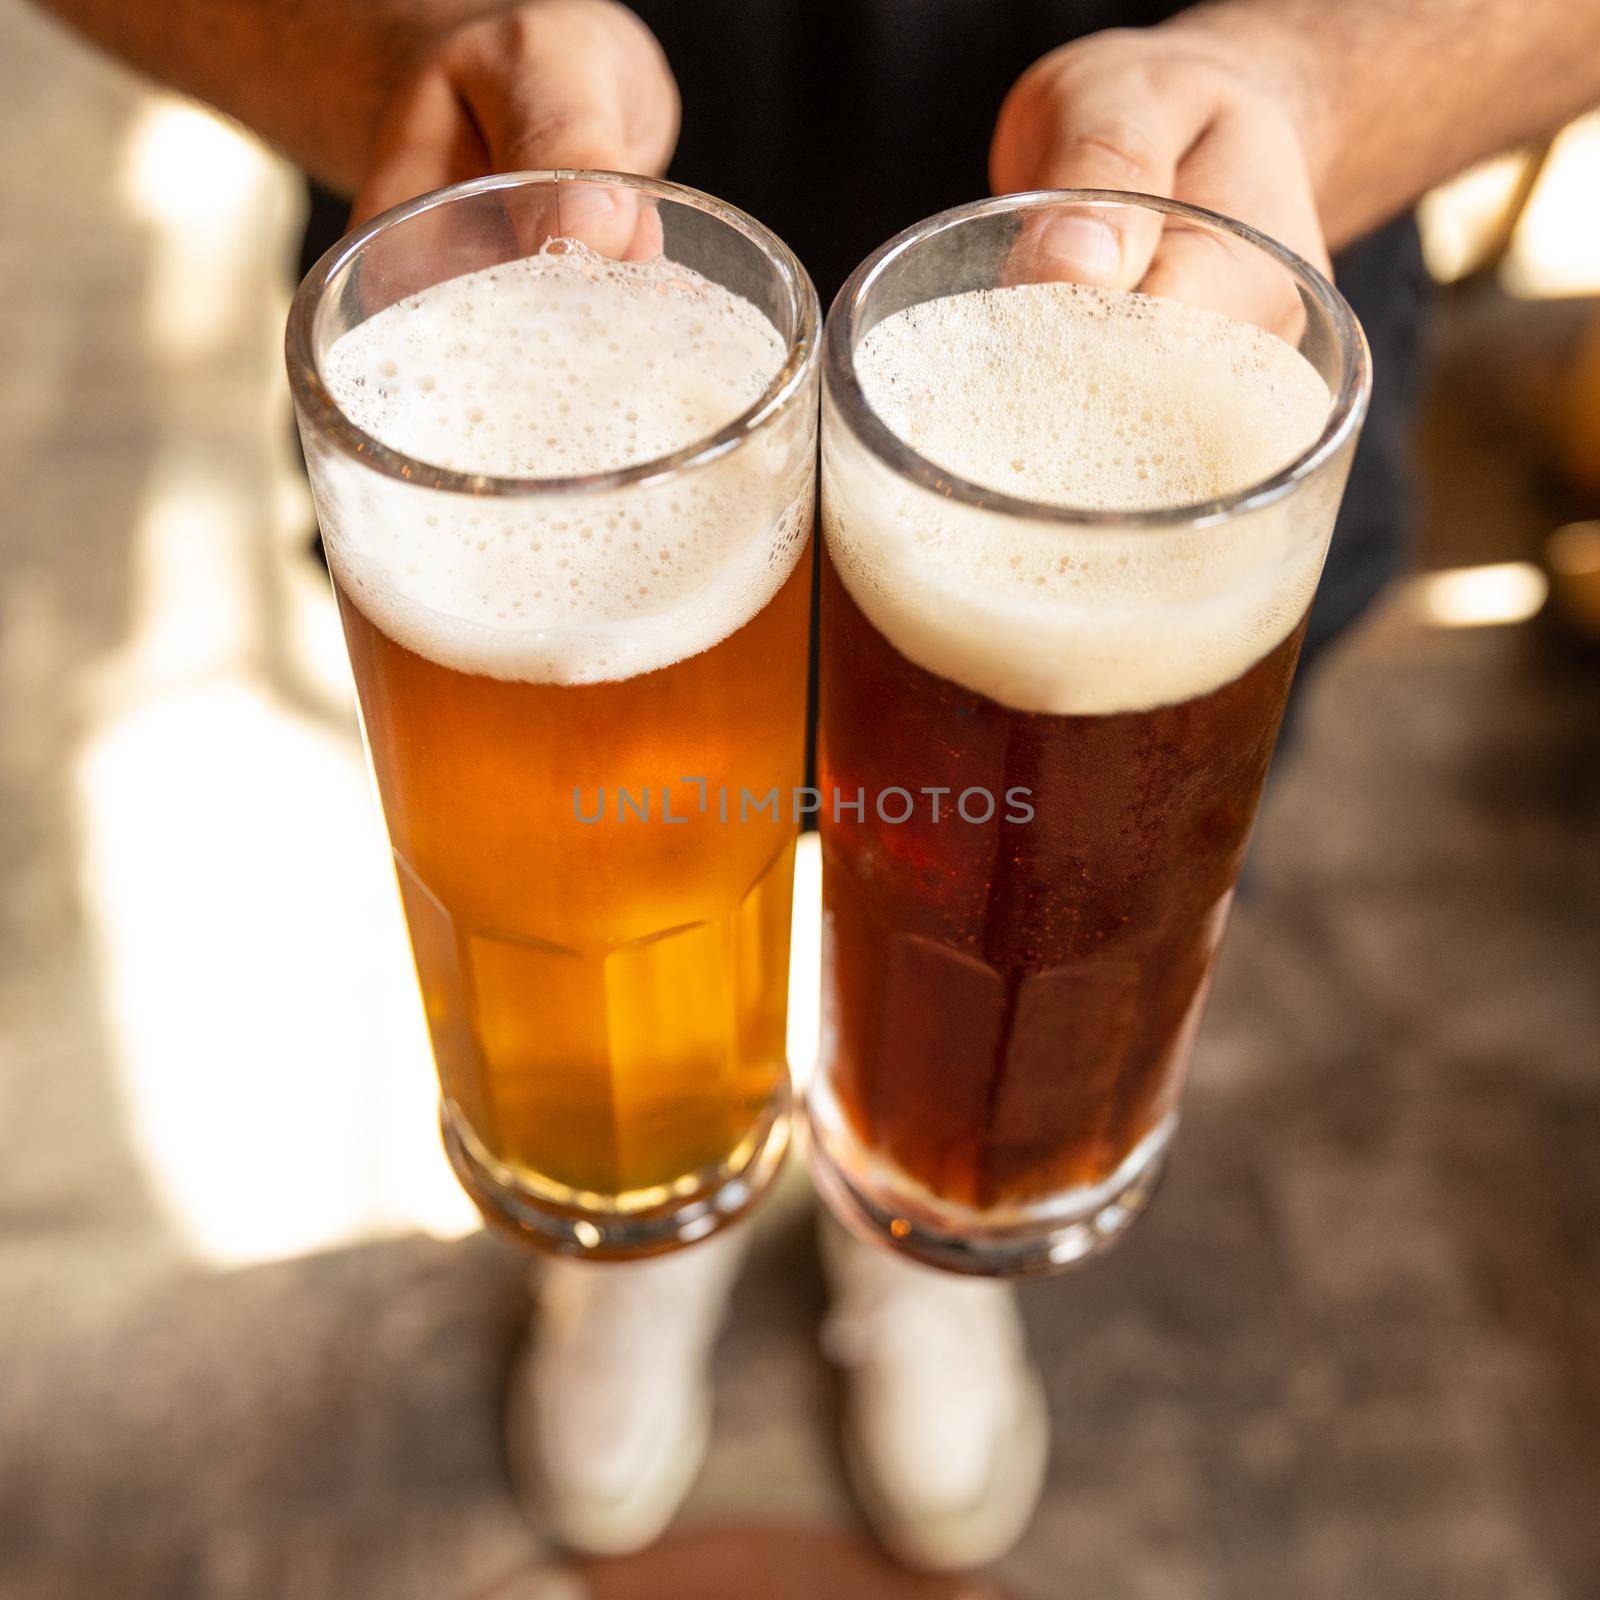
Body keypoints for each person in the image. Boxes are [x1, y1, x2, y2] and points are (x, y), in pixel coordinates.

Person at [34, 0, 1600, 1570]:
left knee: (1069, 870)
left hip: (1212, 308)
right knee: (604, 855)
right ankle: (650, 1185)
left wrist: (1318, 88)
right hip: (533, 291)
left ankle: (923, 1214)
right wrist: (392, 62)